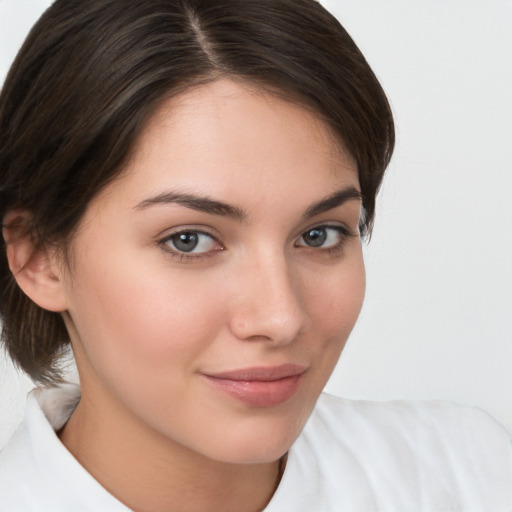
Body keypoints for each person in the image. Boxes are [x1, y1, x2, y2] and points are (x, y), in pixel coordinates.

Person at [0, 0, 510, 511]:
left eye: (319, 235)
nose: (281, 318)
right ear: (39, 258)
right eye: (189, 240)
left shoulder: (469, 474)